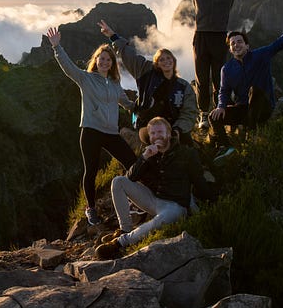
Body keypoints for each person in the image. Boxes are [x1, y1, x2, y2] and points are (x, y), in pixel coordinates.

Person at [137, 0, 283, 131]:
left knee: (218, 78)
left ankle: (222, 110)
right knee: (201, 77)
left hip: (220, 37)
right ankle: (204, 114)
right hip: (201, 37)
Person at [46, 27, 138, 226]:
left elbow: (127, 104)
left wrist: (143, 104)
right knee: (91, 170)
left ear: (112, 63)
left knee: (132, 162)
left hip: (111, 132)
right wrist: (56, 47)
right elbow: (68, 67)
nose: (104, 62)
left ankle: (134, 199)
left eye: (108, 59)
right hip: (91, 131)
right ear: (95, 61)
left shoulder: (115, 84)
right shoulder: (86, 79)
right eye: (101, 58)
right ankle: (91, 209)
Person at [209, 8, 283, 163]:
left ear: (247, 46)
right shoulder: (226, 69)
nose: (236, 45)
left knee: (255, 91)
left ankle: (250, 136)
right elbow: (224, 91)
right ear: (230, 49)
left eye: (240, 42)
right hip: (244, 110)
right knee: (213, 116)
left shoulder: (261, 55)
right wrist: (220, 106)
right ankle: (227, 147)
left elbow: (281, 42)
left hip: (263, 107)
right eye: (233, 44)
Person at [95, 116, 208, 260]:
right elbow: (131, 177)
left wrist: (212, 201)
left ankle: (119, 243)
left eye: (160, 132)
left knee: (161, 219)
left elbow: (199, 181)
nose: (156, 136)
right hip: (153, 200)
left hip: (175, 206)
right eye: (153, 133)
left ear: (168, 133)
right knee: (118, 181)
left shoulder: (186, 153)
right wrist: (144, 157)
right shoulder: (150, 153)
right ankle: (125, 229)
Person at [97, 19, 197, 144]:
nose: (166, 61)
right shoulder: (146, 73)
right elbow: (129, 56)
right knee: (157, 142)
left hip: (173, 128)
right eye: (161, 59)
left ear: (174, 61)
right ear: (156, 63)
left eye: (168, 58)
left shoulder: (183, 86)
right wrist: (113, 36)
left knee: (186, 150)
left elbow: (189, 112)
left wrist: (178, 129)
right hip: (147, 126)